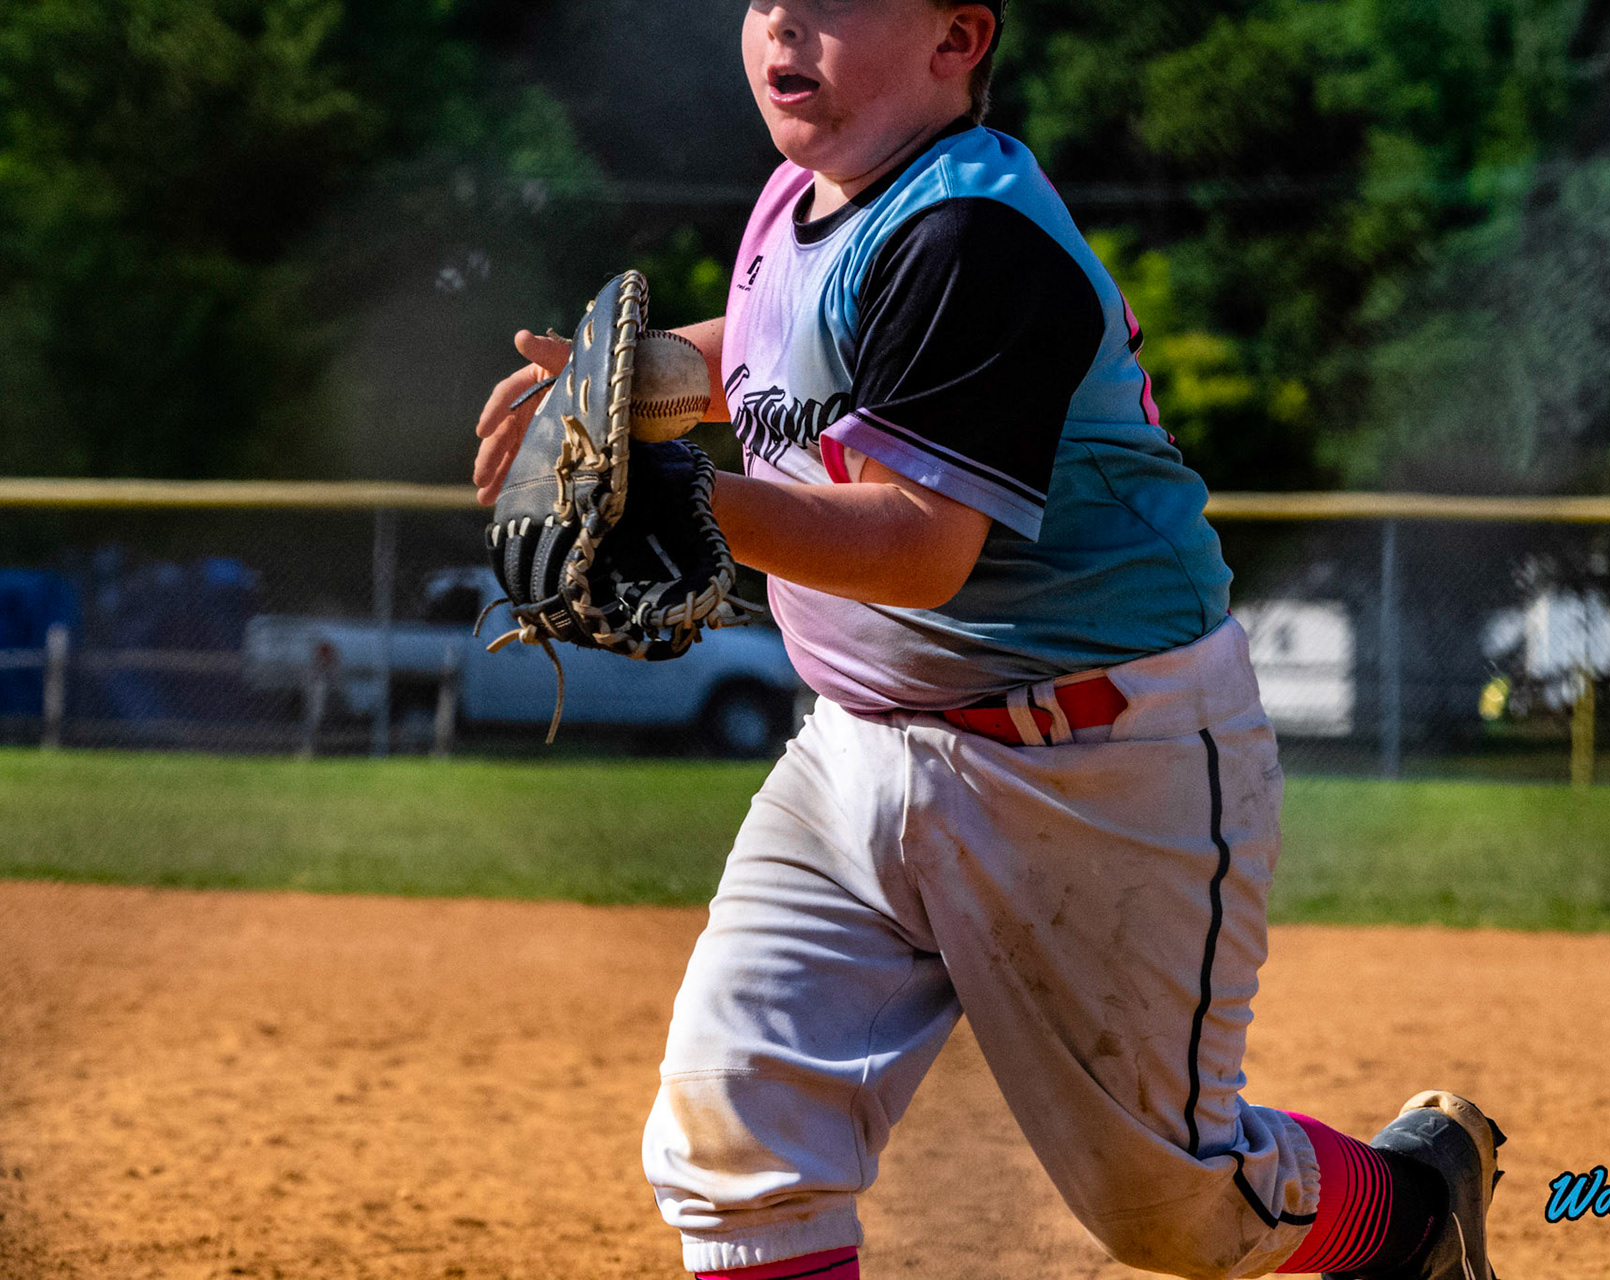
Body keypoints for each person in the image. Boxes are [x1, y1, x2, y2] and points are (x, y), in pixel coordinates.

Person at [471, 3, 1504, 1277]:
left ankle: (1407, 1214)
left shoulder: (975, 235)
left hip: (1096, 753)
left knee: (1172, 1203)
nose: (784, 21)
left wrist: (681, 497)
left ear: (957, 41)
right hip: (857, 742)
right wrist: (615, 393)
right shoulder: (804, 193)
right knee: (735, 1141)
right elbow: (772, 342)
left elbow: (920, 539)